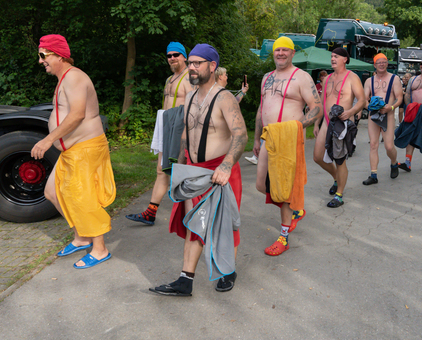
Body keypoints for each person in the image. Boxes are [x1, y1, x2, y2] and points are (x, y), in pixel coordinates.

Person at [150, 44, 248, 296]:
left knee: (223, 226)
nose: (191, 67)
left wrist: (226, 166)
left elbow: (241, 134)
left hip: (219, 172)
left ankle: (227, 270)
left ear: (212, 66)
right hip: (193, 171)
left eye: (197, 63)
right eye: (190, 62)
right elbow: (186, 132)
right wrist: (179, 163)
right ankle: (185, 280)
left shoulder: (224, 98)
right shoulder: (192, 95)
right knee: (194, 224)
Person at [32, 34, 115, 269]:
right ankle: (82, 237)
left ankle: (100, 249)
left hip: (85, 147)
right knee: (52, 192)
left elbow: (77, 114)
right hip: (72, 151)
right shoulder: (64, 78)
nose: (40, 61)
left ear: (58, 55)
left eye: (43, 55)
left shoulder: (74, 77)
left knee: (83, 197)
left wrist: (48, 140)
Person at [254, 36, 322, 256]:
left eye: (285, 50)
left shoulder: (301, 77)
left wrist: (296, 127)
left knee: (283, 190)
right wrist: (256, 138)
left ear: (293, 53)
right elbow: (261, 108)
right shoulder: (266, 78)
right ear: (273, 53)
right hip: (268, 138)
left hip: (289, 139)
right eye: (277, 50)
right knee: (261, 185)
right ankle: (296, 209)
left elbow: (316, 108)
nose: (280, 53)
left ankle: (283, 237)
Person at [126, 42, 192, 225]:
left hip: (181, 131)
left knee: (181, 173)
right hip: (166, 128)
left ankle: (190, 214)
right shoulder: (169, 79)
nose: (172, 58)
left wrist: (186, 135)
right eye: (169, 55)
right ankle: (150, 212)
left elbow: (194, 108)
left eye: (176, 55)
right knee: (161, 171)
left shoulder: (189, 78)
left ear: (184, 57)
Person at [312, 48, 365, 200]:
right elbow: (322, 104)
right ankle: (337, 177)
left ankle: (339, 195)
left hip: (342, 123)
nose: (333, 59)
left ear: (345, 59)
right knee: (317, 157)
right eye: (331, 56)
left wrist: (350, 112)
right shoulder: (327, 79)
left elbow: (362, 100)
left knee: (339, 160)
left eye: (336, 56)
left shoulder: (352, 77)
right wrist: (317, 123)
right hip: (326, 123)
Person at [360, 53, 401, 185]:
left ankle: (394, 163)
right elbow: (364, 99)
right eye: (379, 62)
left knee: (389, 146)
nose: (381, 64)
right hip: (374, 115)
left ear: (387, 64)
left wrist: (392, 107)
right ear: (375, 65)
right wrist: (370, 107)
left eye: (384, 62)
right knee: (373, 144)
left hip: (388, 114)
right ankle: (373, 174)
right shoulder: (369, 81)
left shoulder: (394, 79)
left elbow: (399, 98)